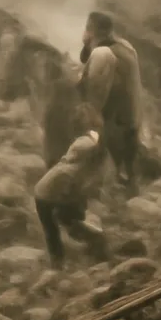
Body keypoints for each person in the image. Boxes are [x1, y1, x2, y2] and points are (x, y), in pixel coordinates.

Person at [34, 103, 110, 269]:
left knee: (58, 228)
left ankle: (61, 261)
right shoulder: (82, 157)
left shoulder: (80, 151)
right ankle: (66, 260)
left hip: (46, 192)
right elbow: (73, 189)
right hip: (49, 194)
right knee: (62, 226)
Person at [79, 11, 143, 195]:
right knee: (129, 177)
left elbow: (93, 95)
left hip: (114, 128)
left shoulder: (102, 54)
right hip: (133, 123)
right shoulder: (126, 47)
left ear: (90, 30)